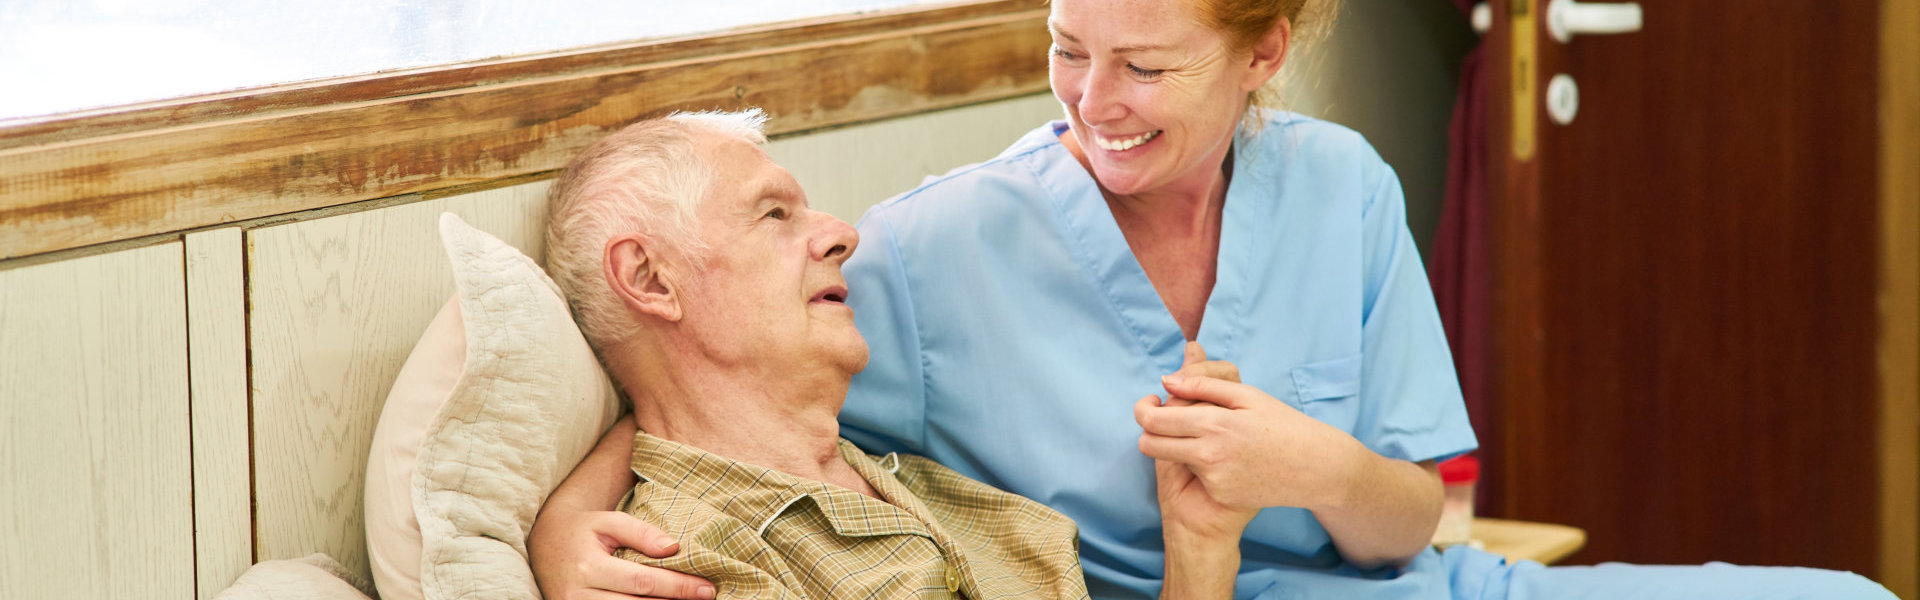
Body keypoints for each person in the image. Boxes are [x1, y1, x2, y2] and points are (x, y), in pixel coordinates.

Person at [528, 0, 1898, 598]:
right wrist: (557, 526)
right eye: (1069, 50)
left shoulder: (1342, 187)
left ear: (1263, 57)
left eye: (1146, 67)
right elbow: (714, 382)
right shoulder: (941, 250)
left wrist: (1307, 466)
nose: (1093, 103)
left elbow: (1427, 518)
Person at [537, 109, 1261, 599]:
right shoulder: (686, 564)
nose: (841, 235)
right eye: (773, 215)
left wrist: (1197, 554)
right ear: (649, 279)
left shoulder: (920, 488)